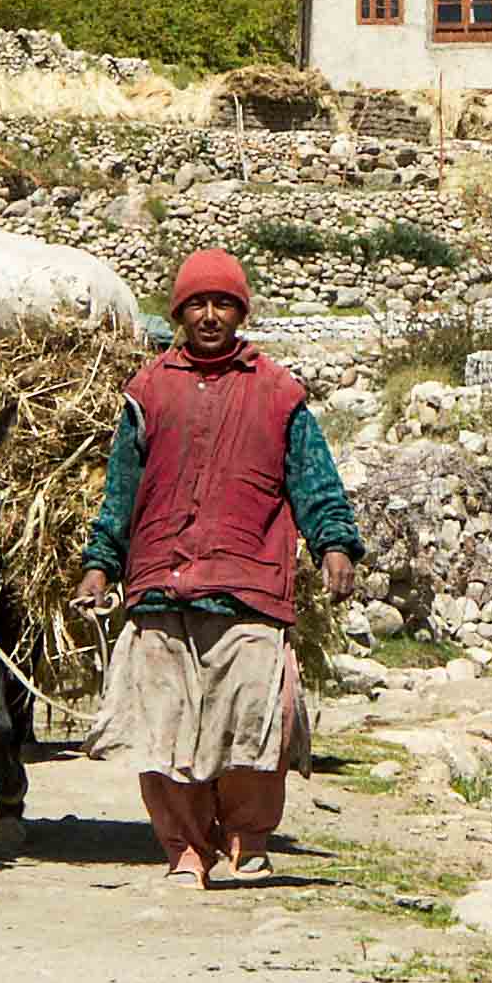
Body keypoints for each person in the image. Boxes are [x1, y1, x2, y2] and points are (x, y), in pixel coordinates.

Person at [76, 248, 364, 889]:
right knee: (164, 723)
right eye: (197, 305)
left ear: (241, 311)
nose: (210, 316)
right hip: (161, 582)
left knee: (255, 715)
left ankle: (246, 840)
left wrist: (333, 543)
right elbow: (121, 490)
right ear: (179, 313)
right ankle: (181, 848)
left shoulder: (278, 393)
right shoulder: (148, 391)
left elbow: (313, 481)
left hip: (248, 582)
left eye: (223, 303)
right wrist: (101, 563)